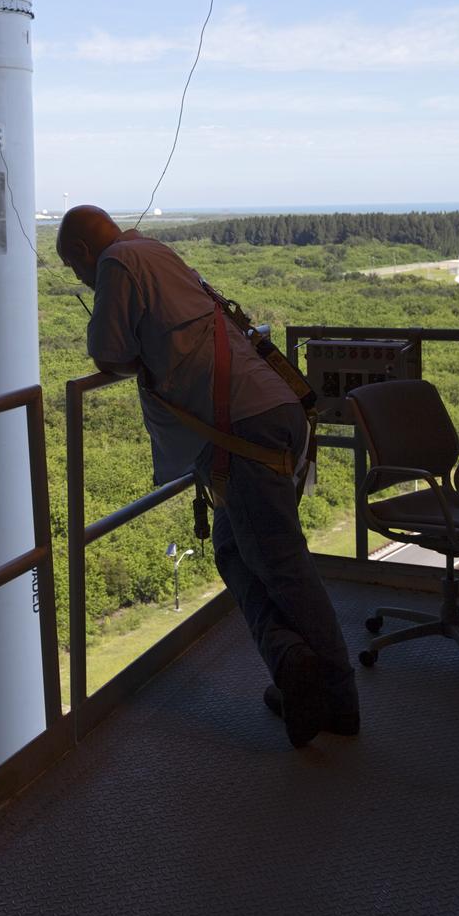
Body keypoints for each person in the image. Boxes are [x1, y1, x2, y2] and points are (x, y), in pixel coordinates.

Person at [56, 204, 359, 748]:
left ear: (81, 252)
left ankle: (336, 698)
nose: (82, 278)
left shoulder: (117, 264)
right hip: (273, 410)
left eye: (75, 270)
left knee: (280, 565)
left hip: (240, 431)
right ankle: (295, 667)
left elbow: (107, 350)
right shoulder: (154, 250)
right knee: (238, 551)